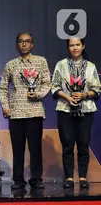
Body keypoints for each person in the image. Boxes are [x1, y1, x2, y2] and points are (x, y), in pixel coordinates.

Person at [0, 32, 50, 189]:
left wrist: (38, 94)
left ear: (32, 45)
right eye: (21, 41)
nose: (24, 44)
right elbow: (2, 88)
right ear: (16, 45)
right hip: (16, 112)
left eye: (27, 41)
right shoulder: (11, 64)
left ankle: (36, 179)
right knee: (17, 148)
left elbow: (47, 83)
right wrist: (5, 106)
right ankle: (18, 180)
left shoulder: (40, 61)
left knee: (35, 148)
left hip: (34, 110)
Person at [51, 37, 101, 189]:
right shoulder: (61, 65)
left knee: (83, 145)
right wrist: (67, 97)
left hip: (85, 110)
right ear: (68, 48)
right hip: (65, 109)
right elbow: (54, 86)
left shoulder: (91, 66)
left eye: (77, 44)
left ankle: (83, 177)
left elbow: (97, 88)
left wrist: (84, 95)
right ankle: (69, 178)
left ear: (83, 46)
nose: (75, 48)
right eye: (71, 45)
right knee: (67, 145)